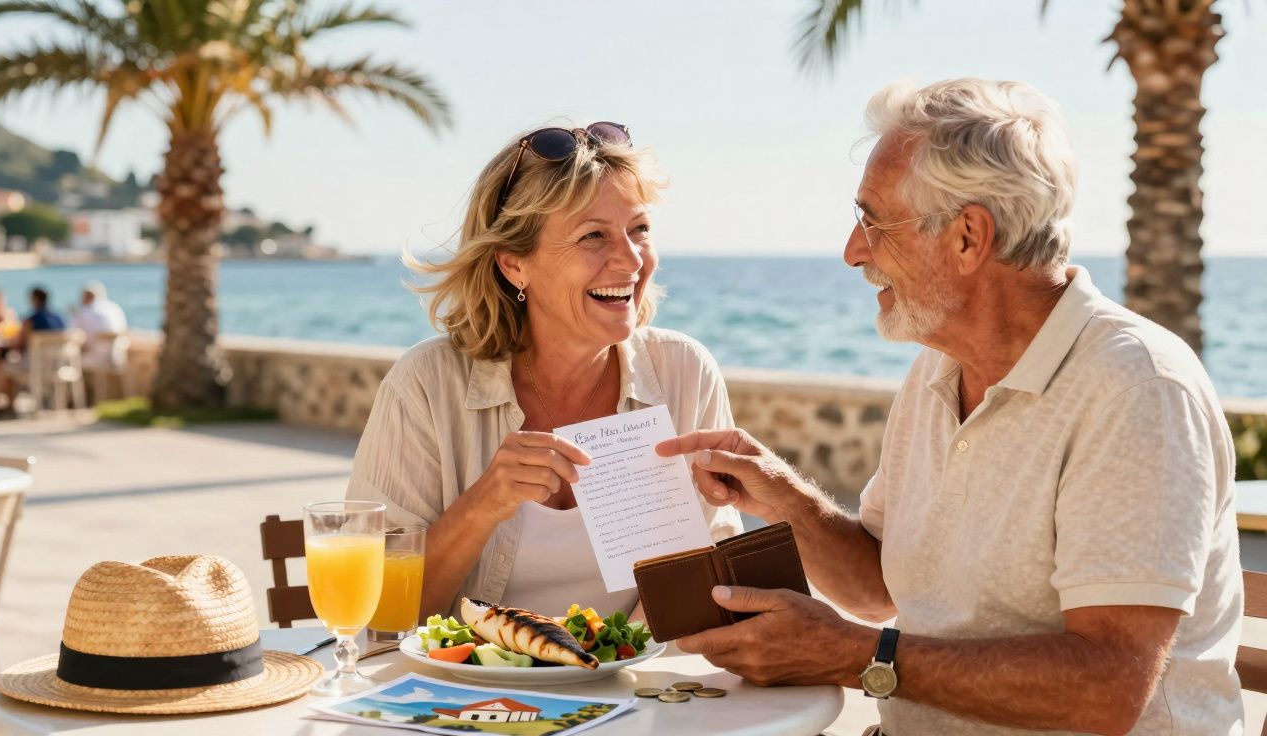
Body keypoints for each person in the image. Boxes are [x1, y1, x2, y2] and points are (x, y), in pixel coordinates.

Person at [656, 79, 1241, 734]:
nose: (853, 251)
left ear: (968, 236)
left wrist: (852, 655)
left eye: (873, 221)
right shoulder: (940, 367)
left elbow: (1106, 688)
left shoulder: (1136, 390)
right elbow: (880, 587)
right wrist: (787, 502)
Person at [347, 122, 742, 620]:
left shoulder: (685, 372)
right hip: (470, 689)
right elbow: (379, 613)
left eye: (639, 229)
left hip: (635, 687)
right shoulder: (425, 386)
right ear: (514, 265)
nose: (631, 259)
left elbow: (714, 581)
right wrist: (483, 504)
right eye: (593, 236)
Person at [71, 281, 128, 368]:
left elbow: (84, 338)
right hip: (118, 354)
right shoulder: (115, 307)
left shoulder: (88, 311)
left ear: (86, 297)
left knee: (70, 358)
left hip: (97, 357)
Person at [16, 286, 66, 350]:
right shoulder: (59, 318)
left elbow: (20, 343)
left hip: (36, 357)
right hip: (58, 356)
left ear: (35, 299)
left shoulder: (30, 321)